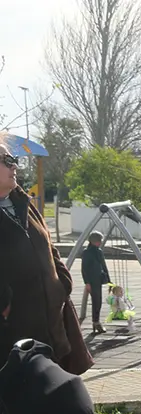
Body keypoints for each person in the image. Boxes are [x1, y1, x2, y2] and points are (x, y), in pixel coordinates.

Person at [0, 140, 92, 374]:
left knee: (54, 390)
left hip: (50, 320)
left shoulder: (23, 203)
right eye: (8, 161)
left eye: (15, 160)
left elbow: (49, 246)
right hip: (14, 328)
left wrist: (62, 282)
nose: (15, 167)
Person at [80, 230, 111, 334]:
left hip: (98, 278)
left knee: (98, 301)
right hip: (92, 280)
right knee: (96, 301)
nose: (100, 242)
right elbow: (84, 269)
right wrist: (87, 282)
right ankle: (96, 322)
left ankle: (96, 321)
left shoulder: (99, 251)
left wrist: (109, 280)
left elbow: (104, 266)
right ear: (93, 241)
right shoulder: (87, 252)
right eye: (99, 240)